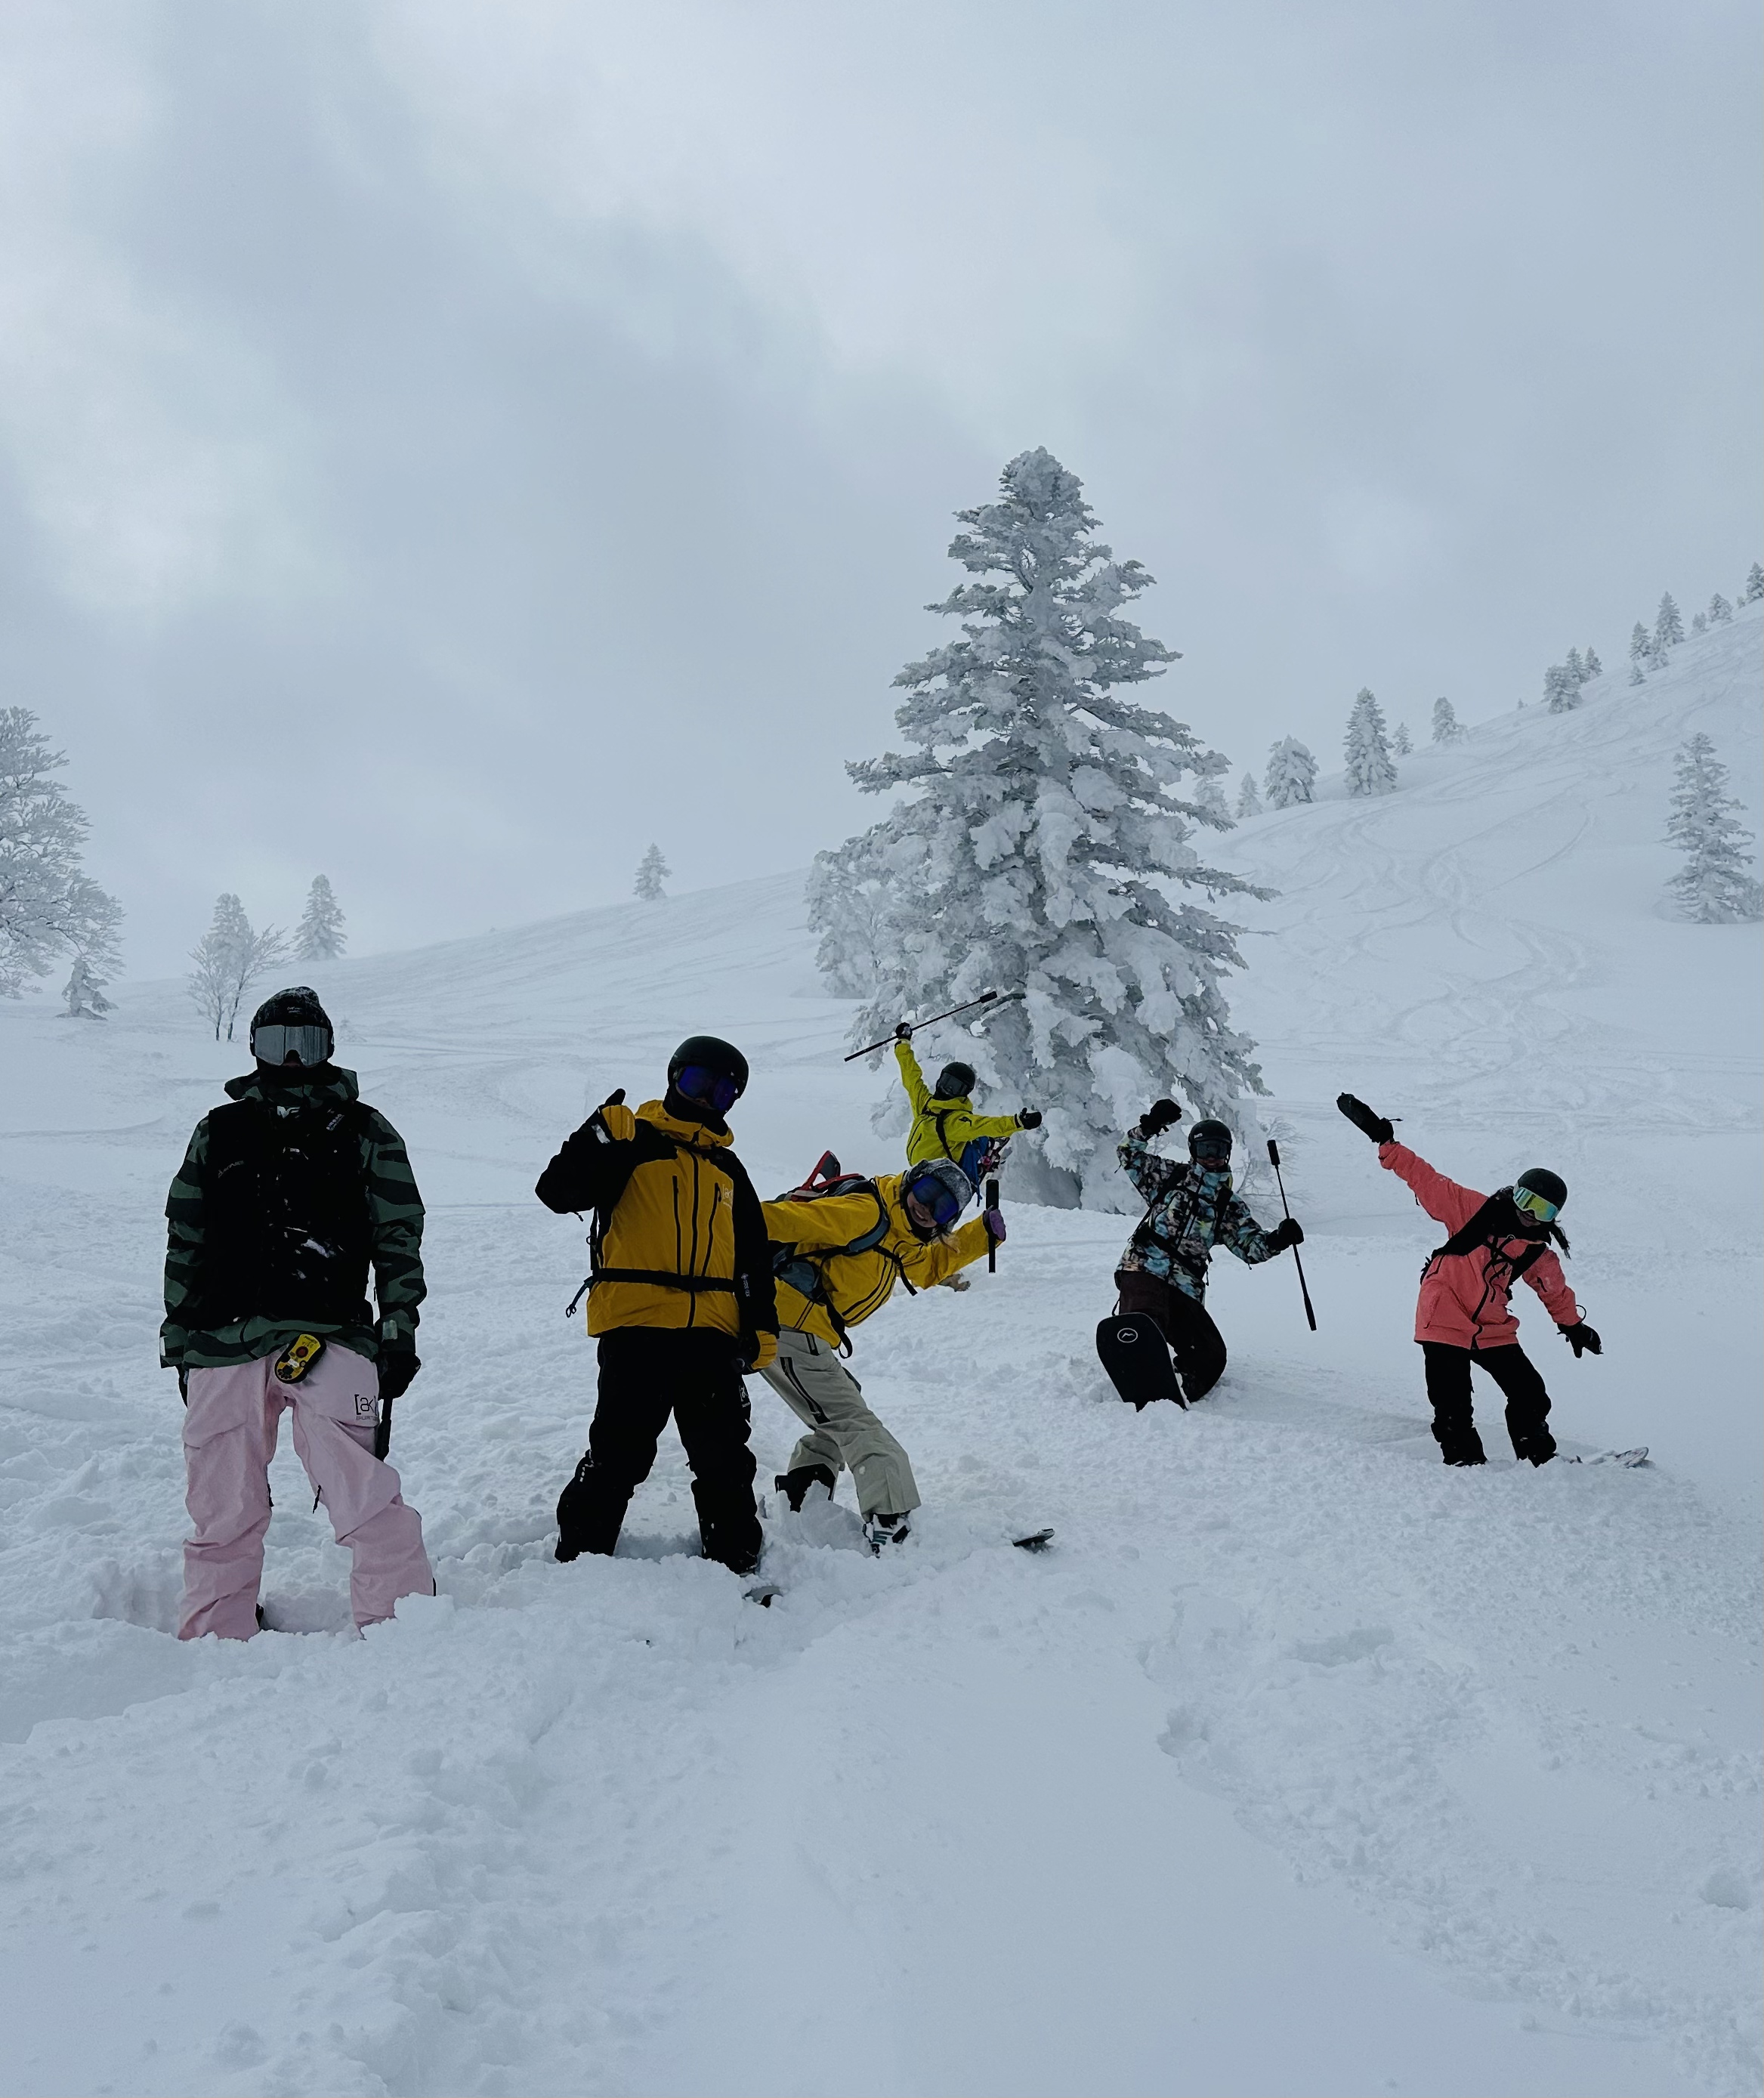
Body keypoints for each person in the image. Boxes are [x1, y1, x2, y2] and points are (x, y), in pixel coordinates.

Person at [161, 987, 432, 1640]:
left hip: (329, 1333)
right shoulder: (218, 1130)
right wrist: (180, 1335)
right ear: (252, 1048)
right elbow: (186, 1236)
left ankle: (403, 1624)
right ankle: (216, 1631)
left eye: (304, 1043)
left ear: (328, 1048)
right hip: (223, 1342)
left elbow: (398, 1236)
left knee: (361, 1492)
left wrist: (397, 1329)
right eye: (274, 1042)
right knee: (221, 1504)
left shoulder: (365, 1130)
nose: (288, 1057)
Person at [536, 1035, 778, 1574]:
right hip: (637, 1325)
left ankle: (734, 1551)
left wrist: (761, 1324)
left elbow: (753, 1256)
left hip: (712, 1332)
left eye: (723, 1091)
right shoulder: (631, 1140)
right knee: (620, 1449)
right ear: (673, 1077)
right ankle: (582, 1549)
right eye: (698, 1082)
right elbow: (557, 1192)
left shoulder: (727, 1168)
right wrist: (595, 1138)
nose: (707, 1098)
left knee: (723, 1453)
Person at [1336, 1093, 1599, 1467]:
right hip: (1443, 1312)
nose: (1528, 1213)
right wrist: (1386, 1143)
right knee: (1453, 1400)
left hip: (1491, 1324)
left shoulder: (1538, 1251)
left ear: (1553, 1216)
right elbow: (1425, 1179)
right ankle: (1465, 1464)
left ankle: (1540, 1461)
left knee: (1530, 1393)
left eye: (1541, 1209)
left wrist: (1574, 1326)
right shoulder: (1474, 1210)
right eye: (1525, 1199)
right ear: (1514, 1193)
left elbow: (1555, 1292)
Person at [759, 1155, 1002, 1548]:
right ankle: (893, 1528)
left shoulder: (898, 1234)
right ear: (911, 1183)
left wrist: (981, 1236)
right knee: (857, 1425)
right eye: (925, 1193)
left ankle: (802, 1503)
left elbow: (925, 1268)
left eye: (941, 1207)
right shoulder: (866, 1212)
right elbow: (781, 1219)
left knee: (837, 1420)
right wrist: (712, 1210)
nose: (926, 1208)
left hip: (805, 1332)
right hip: (787, 1324)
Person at [1111, 1102, 1303, 1400]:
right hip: (1143, 1267)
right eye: (1204, 1150)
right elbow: (1128, 1154)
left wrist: (1278, 1239)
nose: (1211, 1158)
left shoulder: (1229, 1204)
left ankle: (1183, 1391)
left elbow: (1251, 1247)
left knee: (1212, 1355)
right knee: (1147, 1320)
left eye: (1217, 1150)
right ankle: (1135, 1359)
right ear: (1193, 1152)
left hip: (1186, 1286)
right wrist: (1149, 1126)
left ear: (1227, 1153)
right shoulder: (1170, 1177)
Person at [892, 1024, 1040, 1188]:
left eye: (956, 1087)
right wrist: (903, 1043)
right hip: (919, 1175)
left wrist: (1018, 1122)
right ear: (940, 1080)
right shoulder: (926, 1105)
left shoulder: (955, 1121)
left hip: (936, 1183)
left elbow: (987, 1125)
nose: (948, 1089)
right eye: (947, 1082)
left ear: (964, 1093)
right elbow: (911, 1076)